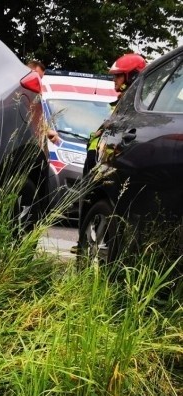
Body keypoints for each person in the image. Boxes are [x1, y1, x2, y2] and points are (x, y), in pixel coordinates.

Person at [75, 52, 147, 254]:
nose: (114, 80)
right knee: (90, 204)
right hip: (96, 158)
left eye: (118, 75)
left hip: (108, 162)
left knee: (100, 207)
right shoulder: (120, 102)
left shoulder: (133, 104)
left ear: (131, 76)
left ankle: (94, 246)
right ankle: (86, 242)